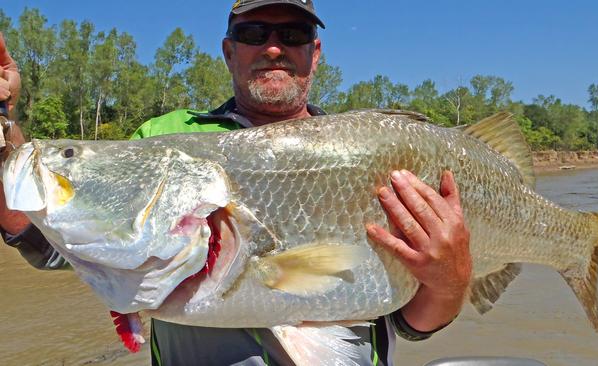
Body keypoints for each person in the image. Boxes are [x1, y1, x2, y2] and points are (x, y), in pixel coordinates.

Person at [0, 1, 472, 365]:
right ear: (228, 50)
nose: (273, 46)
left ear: (315, 51)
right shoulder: (162, 141)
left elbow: (413, 325)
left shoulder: (382, 152)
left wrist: (452, 282)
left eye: (293, 32)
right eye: (252, 32)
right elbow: (51, 246)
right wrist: (3, 124)